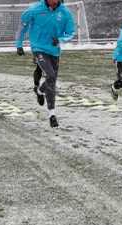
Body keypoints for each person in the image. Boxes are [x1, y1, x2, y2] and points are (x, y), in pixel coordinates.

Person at [15, 0, 76, 129]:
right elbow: (23, 26)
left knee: (52, 79)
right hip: (38, 48)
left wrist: (60, 39)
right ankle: (52, 115)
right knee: (50, 75)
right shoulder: (34, 9)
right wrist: (19, 44)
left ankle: (39, 90)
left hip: (54, 51)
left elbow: (70, 32)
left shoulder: (65, 12)